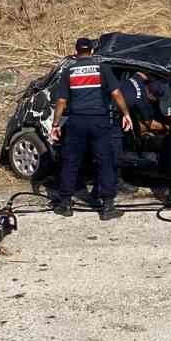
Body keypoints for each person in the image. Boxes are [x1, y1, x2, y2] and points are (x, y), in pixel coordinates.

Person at [49, 37, 134, 220]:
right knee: (105, 161)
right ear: (93, 51)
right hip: (99, 121)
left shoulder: (69, 71)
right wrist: (126, 114)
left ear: (76, 51)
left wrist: (55, 125)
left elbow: (62, 101)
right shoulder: (102, 68)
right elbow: (116, 93)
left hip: (76, 121)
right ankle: (108, 207)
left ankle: (65, 204)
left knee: (71, 161)